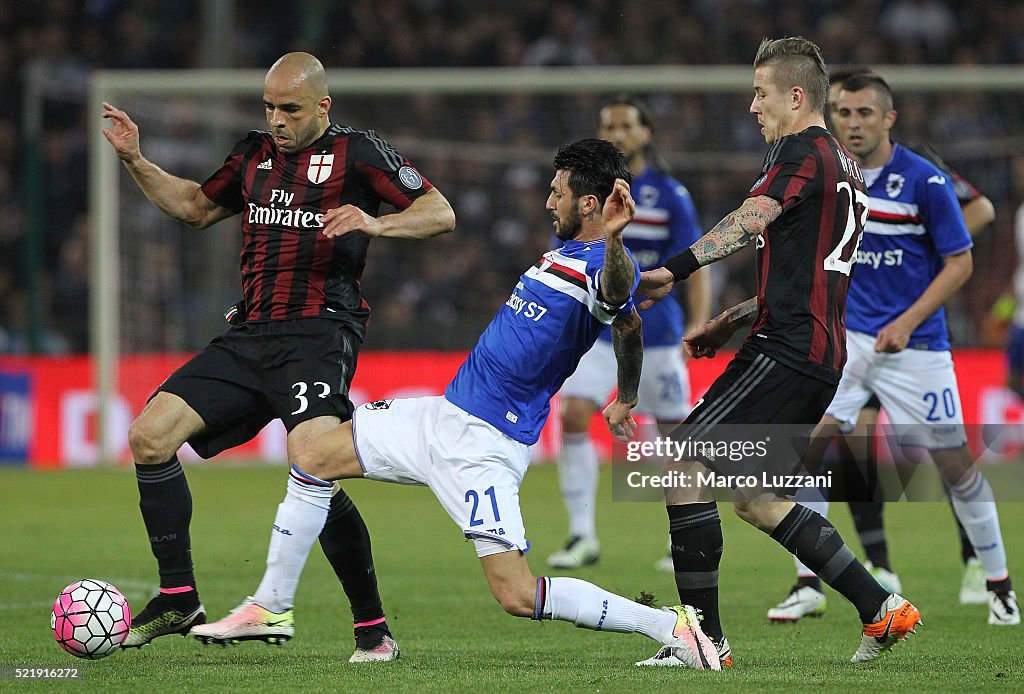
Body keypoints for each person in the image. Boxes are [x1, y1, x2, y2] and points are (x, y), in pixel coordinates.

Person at [195, 138, 723, 670]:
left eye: (556, 192)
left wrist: (614, 242)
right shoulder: (565, 253)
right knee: (310, 457)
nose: (547, 201)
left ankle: (670, 626)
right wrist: (626, 396)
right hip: (442, 416)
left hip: (485, 446)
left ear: (589, 204)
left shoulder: (608, 264)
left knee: (516, 595)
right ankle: (274, 607)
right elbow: (628, 322)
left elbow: (616, 297)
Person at [101, 52, 457, 660]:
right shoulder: (251, 156)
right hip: (249, 337)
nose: (277, 120)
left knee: (314, 462)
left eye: (289, 108)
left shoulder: (361, 154)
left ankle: (373, 630)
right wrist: (136, 160)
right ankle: (180, 595)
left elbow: (439, 213)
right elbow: (193, 206)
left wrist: (376, 226)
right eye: (269, 107)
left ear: (323, 105)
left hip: (318, 334)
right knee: (149, 436)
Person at [635, 37, 921, 667]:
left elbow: (752, 216)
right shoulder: (843, 164)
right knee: (758, 499)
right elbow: (809, 271)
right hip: (819, 353)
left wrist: (674, 271)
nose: (752, 105)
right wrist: (731, 320)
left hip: (787, 350)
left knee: (682, 468)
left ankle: (702, 642)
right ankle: (882, 608)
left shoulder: (800, 152)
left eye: (761, 92)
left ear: (796, 96)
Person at [766, 71, 1019, 626]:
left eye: (864, 114)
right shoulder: (830, 175)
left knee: (955, 465)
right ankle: (809, 582)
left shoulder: (925, 182)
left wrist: (907, 320)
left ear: (888, 118)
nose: (853, 124)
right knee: (803, 452)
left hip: (917, 348)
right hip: (846, 341)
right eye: (843, 113)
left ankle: (998, 585)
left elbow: (961, 262)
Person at [548, 95, 710, 570]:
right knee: (575, 413)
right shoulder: (584, 194)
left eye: (625, 125)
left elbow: (695, 263)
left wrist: (699, 322)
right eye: (607, 125)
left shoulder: (670, 194)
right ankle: (582, 535)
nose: (617, 133)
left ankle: (683, 537)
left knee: (677, 436)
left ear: (646, 133)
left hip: (657, 335)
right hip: (597, 333)